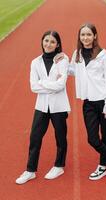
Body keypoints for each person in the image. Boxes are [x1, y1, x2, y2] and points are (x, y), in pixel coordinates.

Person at [69, 23, 106, 181]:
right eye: (83, 35)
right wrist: (59, 59)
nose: (86, 38)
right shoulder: (77, 54)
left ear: (95, 36)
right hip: (88, 102)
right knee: (93, 139)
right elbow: (73, 70)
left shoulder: (103, 55)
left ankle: (102, 167)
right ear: (79, 37)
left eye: (89, 34)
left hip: (104, 102)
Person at [15, 30, 71, 184]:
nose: (48, 44)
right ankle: (30, 170)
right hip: (41, 106)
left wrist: (43, 83)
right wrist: (50, 84)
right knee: (35, 137)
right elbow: (33, 87)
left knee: (60, 137)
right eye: (46, 40)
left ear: (57, 44)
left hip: (59, 106)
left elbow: (61, 85)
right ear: (42, 41)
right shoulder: (35, 62)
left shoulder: (63, 59)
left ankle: (59, 165)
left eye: (52, 42)